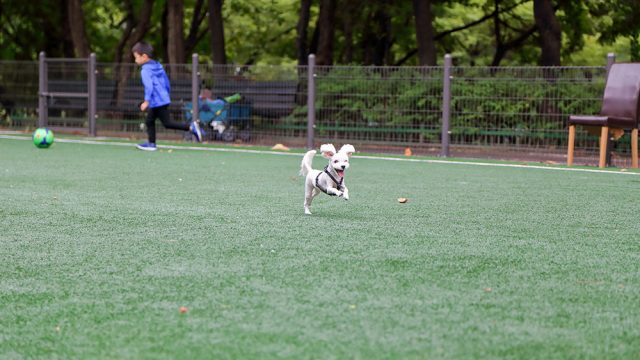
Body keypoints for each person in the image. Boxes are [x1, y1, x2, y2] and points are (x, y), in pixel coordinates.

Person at [132, 41, 202, 151]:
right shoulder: (158, 66)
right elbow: (166, 82)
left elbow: (149, 86)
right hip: (163, 98)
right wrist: (165, 94)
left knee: (166, 123)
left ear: (144, 57)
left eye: (136, 57)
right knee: (151, 121)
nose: (135, 60)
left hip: (157, 101)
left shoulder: (145, 70)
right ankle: (151, 143)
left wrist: (146, 101)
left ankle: (190, 127)